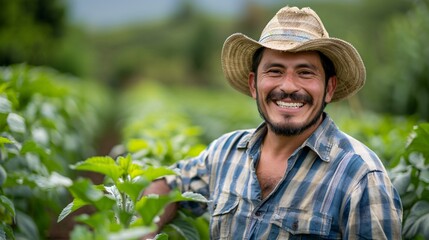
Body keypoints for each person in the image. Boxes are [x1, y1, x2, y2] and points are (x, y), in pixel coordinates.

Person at [143, 6, 403, 239]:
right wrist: (145, 228)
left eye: (305, 72)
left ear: (329, 88)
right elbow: (169, 184)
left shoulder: (361, 177)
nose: (288, 87)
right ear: (253, 85)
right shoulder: (225, 153)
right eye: (275, 71)